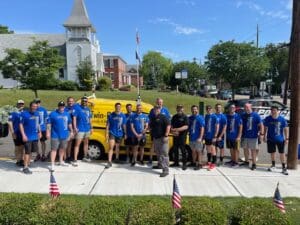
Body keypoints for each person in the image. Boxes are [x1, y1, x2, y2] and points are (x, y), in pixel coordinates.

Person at [47, 101, 73, 172]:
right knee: (54, 150)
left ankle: (61, 161)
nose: (62, 107)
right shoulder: (53, 114)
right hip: (55, 135)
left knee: (62, 149)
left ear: (64, 107)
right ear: (58, 106)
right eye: (60, 106)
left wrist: (71, 131)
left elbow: (69, 123)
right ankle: (52, 164)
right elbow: (49, 124)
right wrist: (48, 132)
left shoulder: (67, 114)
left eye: (63, 106)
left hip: (64, 135)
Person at [263, 106, 289, 175]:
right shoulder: (268, 118)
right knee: (272, 152)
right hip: (270, 139)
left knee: (282, 153)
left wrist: (286, 138)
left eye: (275, 110)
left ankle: (284, 168)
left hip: (280, 139)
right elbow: (265, 127)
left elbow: (285, 129)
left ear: (278, 111)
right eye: (272, 110)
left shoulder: (282, 119)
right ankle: (273, 165)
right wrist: (264, 136)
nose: (273, 112)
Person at [19, 101, 41, 174]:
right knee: (27, 152)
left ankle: (28, 164)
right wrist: (23, 135)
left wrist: (39, 132)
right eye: (33, 106)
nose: (34, 108)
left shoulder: (37, 114)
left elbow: (38, 124)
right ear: (30, 106)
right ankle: (25, 167)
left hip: (35, 136)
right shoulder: (24, 114)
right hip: (27, 136)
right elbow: (21, 125)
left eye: (36, 106)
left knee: (31, 151)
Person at [148, 98, 171, 166]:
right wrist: (149, 128)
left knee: (164, 151)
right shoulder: (152, 111)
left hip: (163, 135)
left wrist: (166, 134)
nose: (159, 103)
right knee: (156, 149)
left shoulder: (165, 112)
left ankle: (165, 168)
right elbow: (150, 121)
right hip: (155, 135)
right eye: (158, 102)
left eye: (160, 102)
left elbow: (168, 124)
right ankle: (158, 163)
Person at [241, 103, 263, 170]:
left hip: (253, 136)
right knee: (245, 149)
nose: (246, 108)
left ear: (251, 107)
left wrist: (262, 134)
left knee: (253, 150)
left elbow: (261, 125)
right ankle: (246, 161)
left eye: (247, 107)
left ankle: (254, 164)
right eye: (245, 107)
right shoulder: (243, 115)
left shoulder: (256, 115)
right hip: (245, 135)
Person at [105, 102, 127, 169]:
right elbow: (108, 125)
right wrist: (106, 133)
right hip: (112, 133)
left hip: (120, 133)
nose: (118, 108)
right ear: (115, 107)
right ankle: (109, 161)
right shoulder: (111, 115)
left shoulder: (123, 115)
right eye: (117, 107)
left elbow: (124, 125)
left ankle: (117, 159)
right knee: (111, 147)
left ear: (120, 108)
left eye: (119, 107)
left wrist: (125, 133)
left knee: (117, 147)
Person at [72, 96, 93, 166]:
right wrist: (75, 127)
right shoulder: (77, 107)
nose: (84, 102)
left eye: (86, 101)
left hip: (87, 129)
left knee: (86, 143)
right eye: (83, 101)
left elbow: (90, 119)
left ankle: (85, 156)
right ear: (81, 101)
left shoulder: (88, 109)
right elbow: (74, 118)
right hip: (80, 129)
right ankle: (75, 159)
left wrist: (91, 127)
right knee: (77, 144)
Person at [170, 104, 189, 170]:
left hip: (182, 136)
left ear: (183, 109)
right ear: (176, 109)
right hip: (175, 135)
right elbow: (171, 125)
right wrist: (173, 131)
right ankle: (176, 162)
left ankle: (184, 164)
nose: (179, 109)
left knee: (183, 150)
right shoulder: (174, 116)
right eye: (178, 108)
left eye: (181, 108)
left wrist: (176, 130)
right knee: (175, 149)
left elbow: (186, 126)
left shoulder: (185, 117)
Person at [8, 100, 25, 167]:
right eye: (19, 104)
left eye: (22, 104)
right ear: (17, 104)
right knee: (17, 147)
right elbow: (10, 122)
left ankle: (22, 160)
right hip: (16, 133)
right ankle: (18, 160)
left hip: (23, 133)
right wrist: (12, 133)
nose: (21, 105)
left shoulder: (25, 113)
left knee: (22, 147)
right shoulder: (13, 113)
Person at [188, 105, 205, 170]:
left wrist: (200, 137)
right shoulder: (190, 118)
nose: (194, 110)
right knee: (193, 151)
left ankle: (200, 164)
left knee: (199, 151)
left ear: (197, 110)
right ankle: (194, 162)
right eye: (192, 109)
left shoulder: (200, 118)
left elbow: (202, 128)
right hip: (191, 137)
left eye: (195, 109)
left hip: (198, 138)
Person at [204, 105, 219, 170]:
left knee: (213, 149)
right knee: (208, 149)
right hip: (207, 135)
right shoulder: (206, 116)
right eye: (207, 108)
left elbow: (217, 126)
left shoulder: (214, 117)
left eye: (210, 108)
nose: (208, 109)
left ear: (212, 109)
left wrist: (215, 135)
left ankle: (213, 163)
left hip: (212, 136)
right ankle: (209, 162)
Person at [65, 97, 78, 163]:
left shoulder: (75, 107)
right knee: (66, 143)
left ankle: (69, 156)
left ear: (74, 102)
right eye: (69, 101)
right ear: (67, 102)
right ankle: (65, 157)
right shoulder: (65, 109)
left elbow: (82, 103)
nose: (70, 102)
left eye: (72, 101)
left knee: (70, 143)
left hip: (72, 128)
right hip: (67, 128)